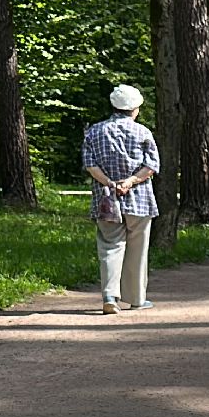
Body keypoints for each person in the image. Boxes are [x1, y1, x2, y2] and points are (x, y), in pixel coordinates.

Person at [82, 84, 160, 315]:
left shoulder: (94, 131)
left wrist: (109, 182)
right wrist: (130, 181)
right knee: (138, 248)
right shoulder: (143, 132)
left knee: (110, 246)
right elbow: (152, 166)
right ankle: (136, 298)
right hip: (140, 199)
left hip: (106, 199)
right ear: (134, 109)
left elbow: (90, 165)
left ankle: (109, 296)